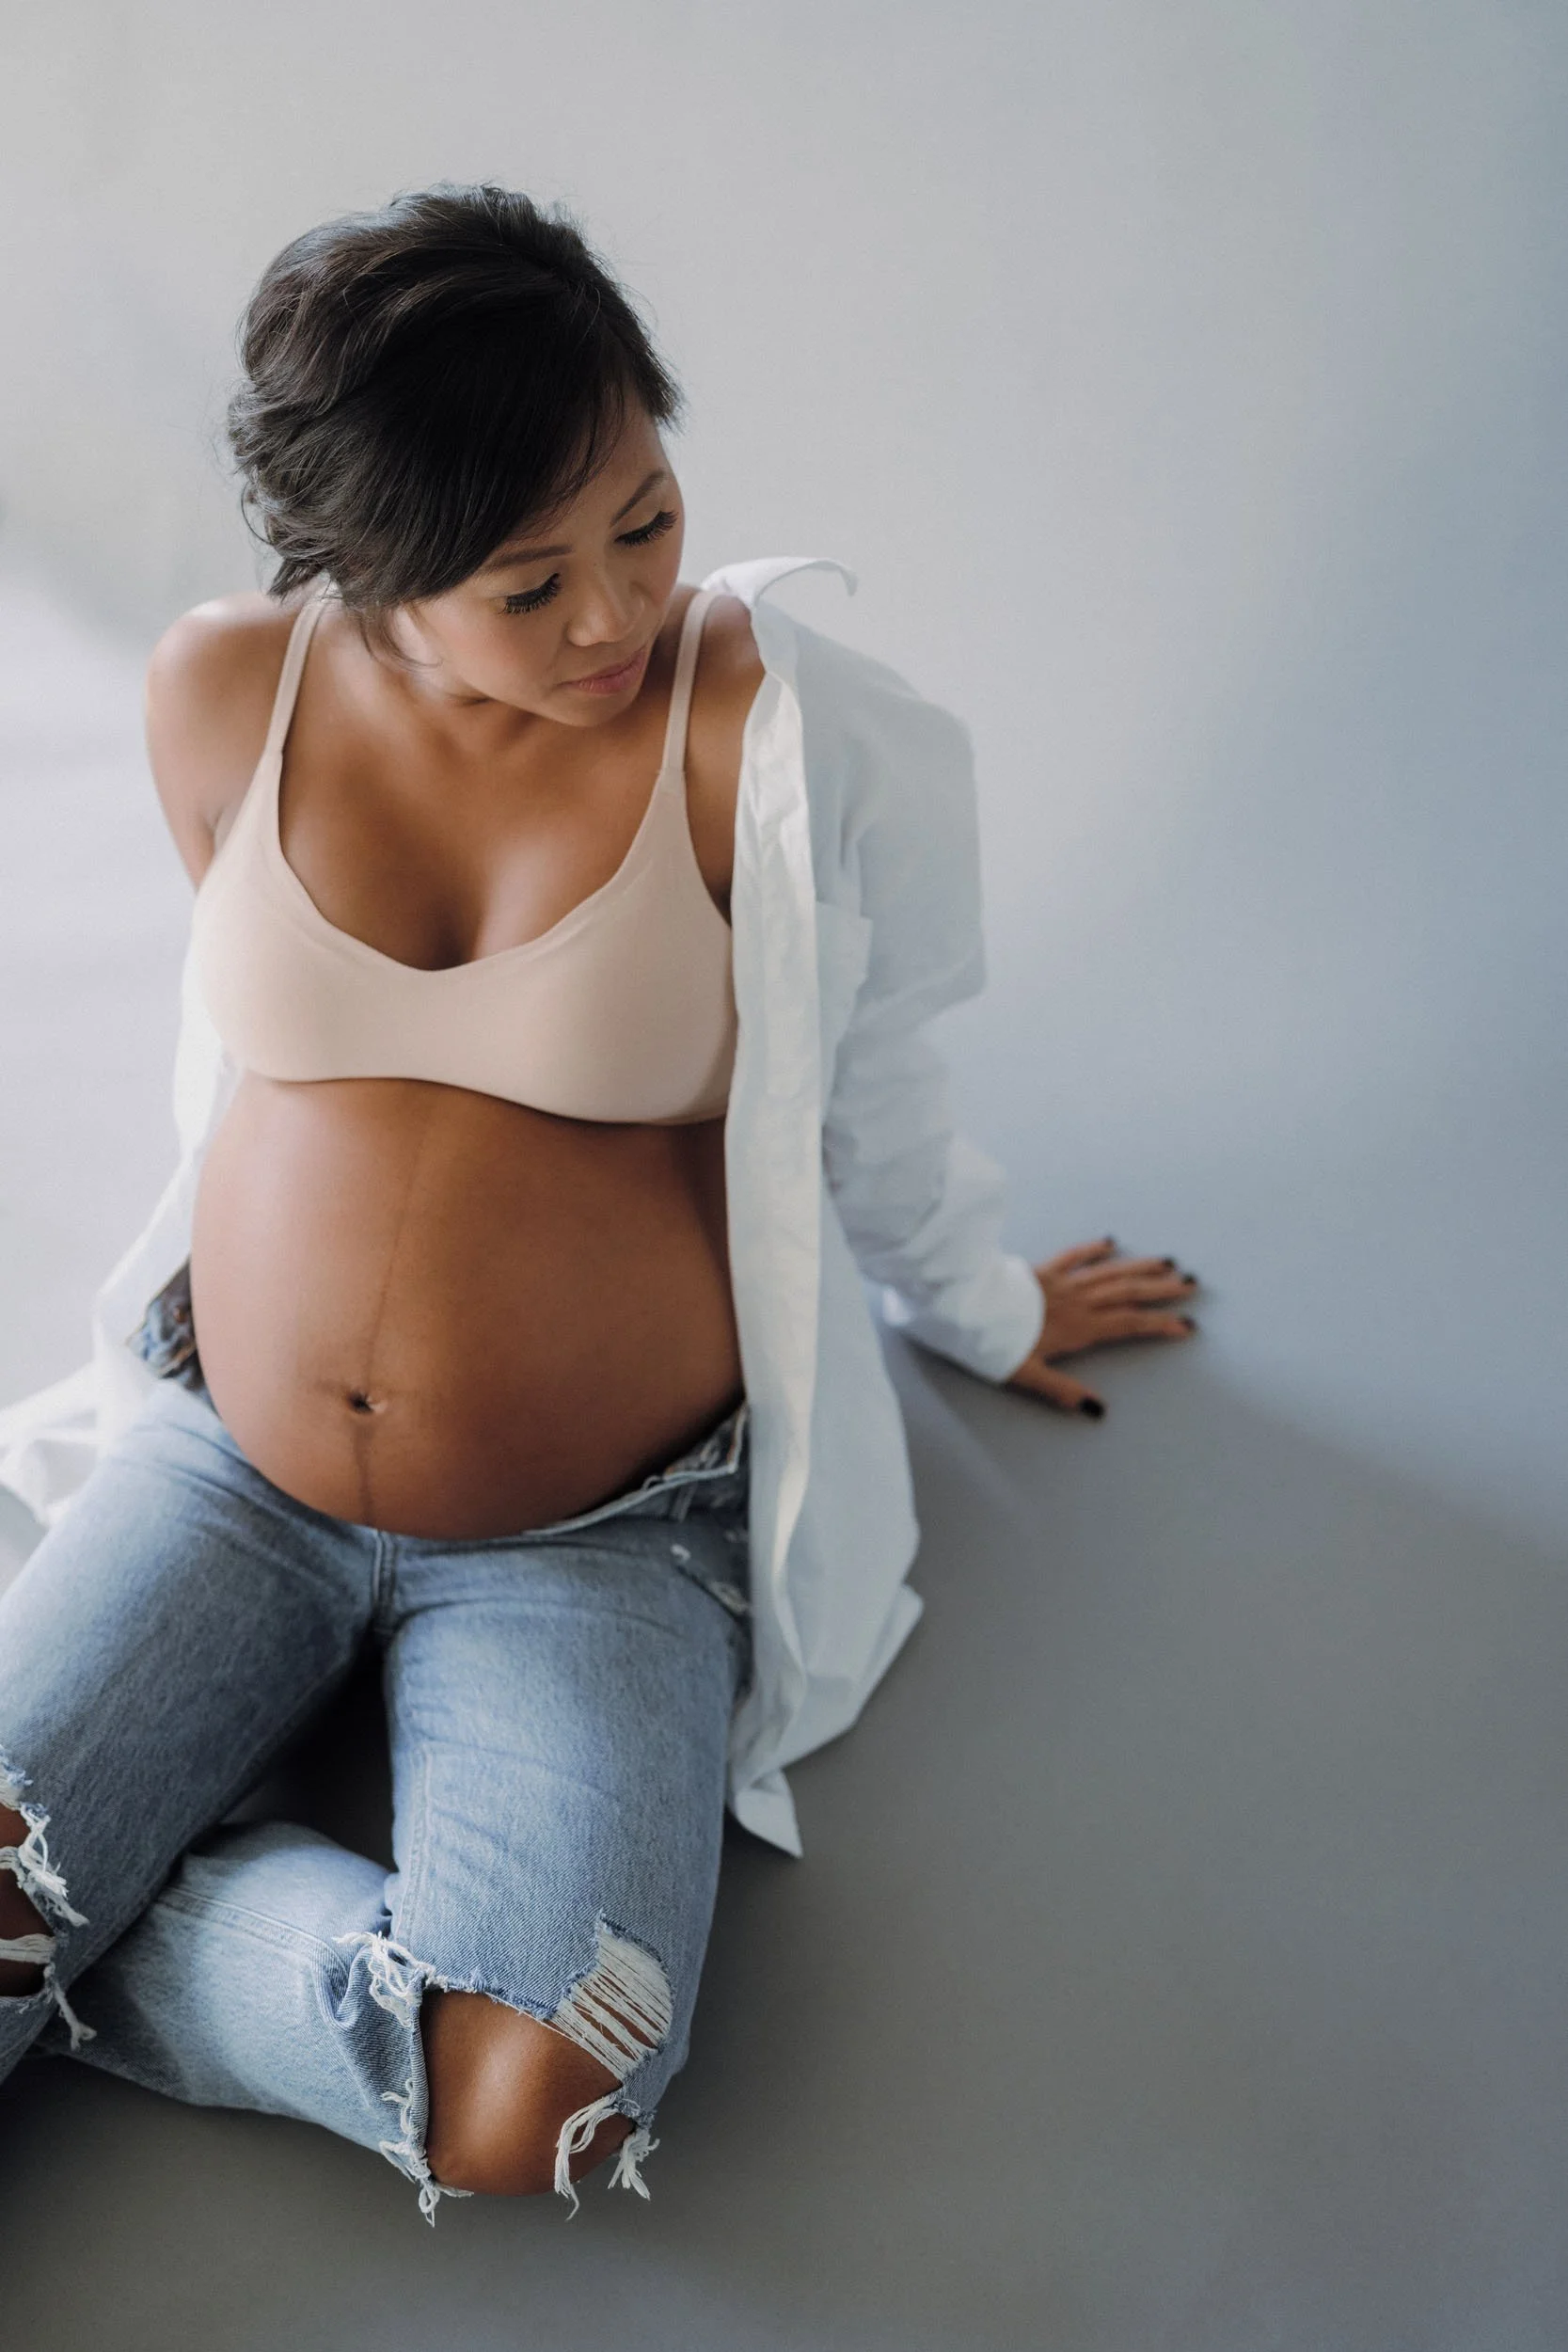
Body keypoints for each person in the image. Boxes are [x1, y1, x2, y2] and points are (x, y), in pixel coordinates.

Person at [0, 183, 1201, 2221]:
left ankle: (74, 1917)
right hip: (233, 1462)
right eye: (520, 580)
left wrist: (976, 1298)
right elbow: (269, 1065)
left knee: (531, 2102)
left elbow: (868, 1065)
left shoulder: (758, 732)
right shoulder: (222, 696)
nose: (610, 619)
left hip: (596, 1535)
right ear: (365, 575)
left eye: (641, 520)